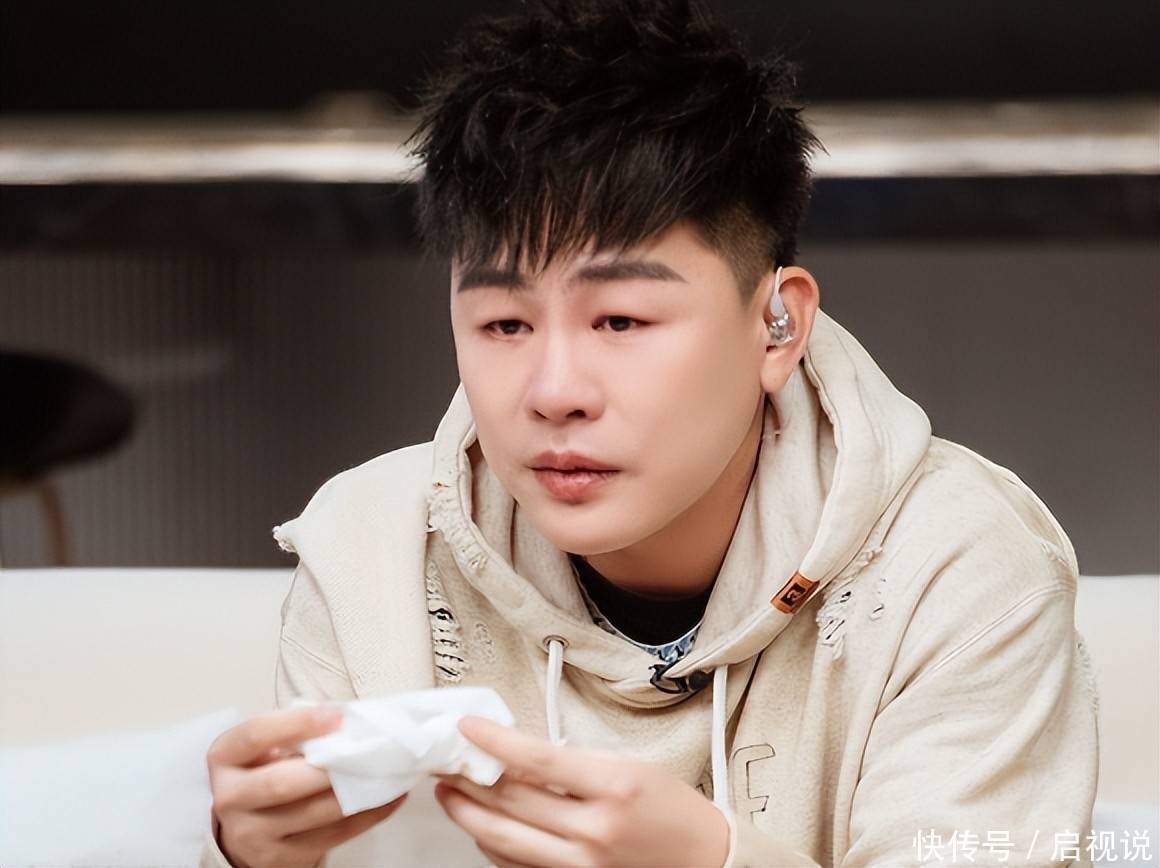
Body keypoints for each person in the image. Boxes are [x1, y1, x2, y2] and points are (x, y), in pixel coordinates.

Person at [200, 1, 1100, 866]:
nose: (554, 393)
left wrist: (712, 861)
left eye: (622, 320)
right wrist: (249, 860)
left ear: (777, 326)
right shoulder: (373, 547)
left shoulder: (960, 568)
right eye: (505, 324)